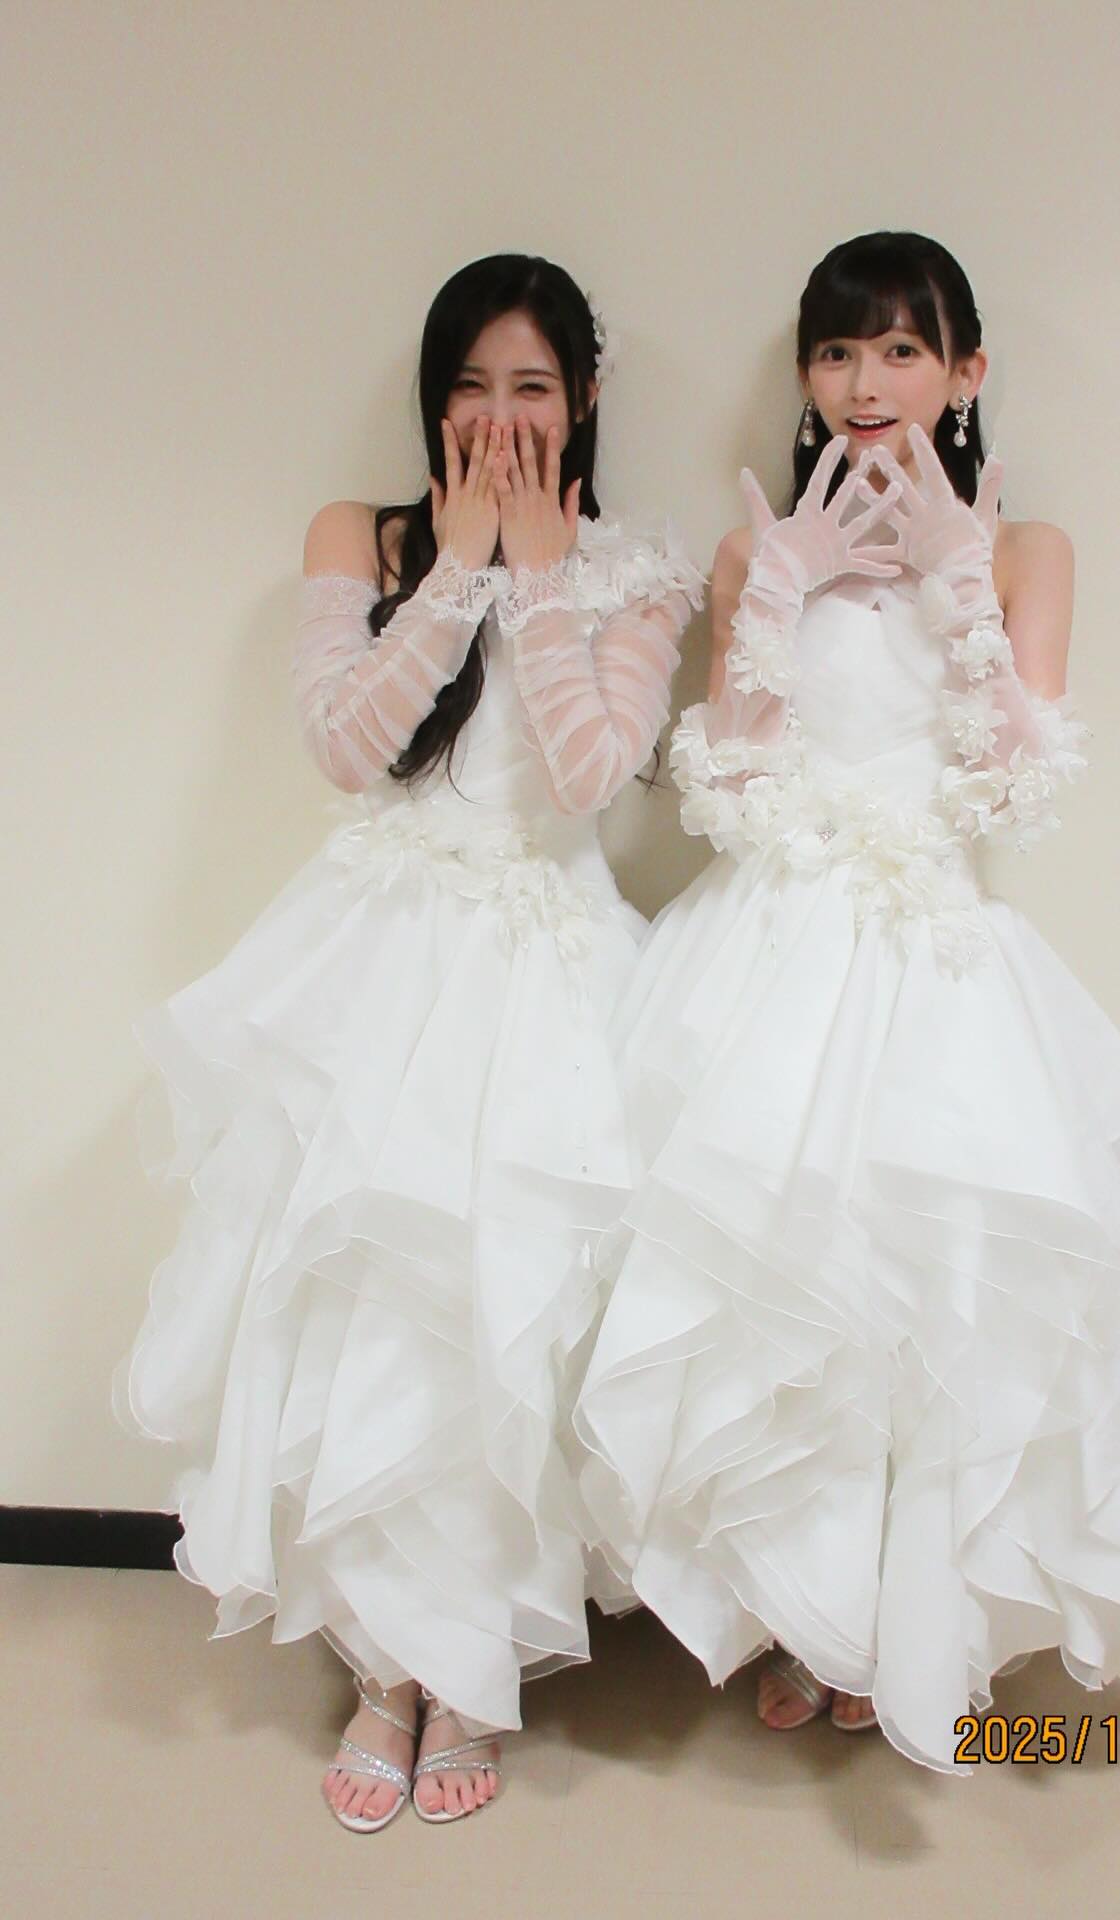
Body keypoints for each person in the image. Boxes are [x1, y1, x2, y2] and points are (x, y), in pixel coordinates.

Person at [574, 231, 1120, 1773]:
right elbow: (726, 790)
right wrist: (778, 591)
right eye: (838, 350)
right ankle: (803, 1616)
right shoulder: (754, 546)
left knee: (927, 1298)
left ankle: (902, 1621)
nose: (865, 383)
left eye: (901, 350)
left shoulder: (1028, 548)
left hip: (934, 957)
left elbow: (1015, 787)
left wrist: (956, 579)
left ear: (965, 371)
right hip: (768, 951)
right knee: (782, 1293)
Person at [115, 254, 703, 1829]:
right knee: (381, 1317)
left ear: (585, 397)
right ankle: (388, 1670)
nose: (501, 418)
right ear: (434, 398)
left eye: (534, 388)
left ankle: (473, 1667)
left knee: (509, 1327)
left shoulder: (641, 568)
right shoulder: (358, 539)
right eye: (473, 386)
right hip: (382, 968)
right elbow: (344, 746)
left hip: (555, 973)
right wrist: (455, 573)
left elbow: (590, 779)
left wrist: (543, 577)